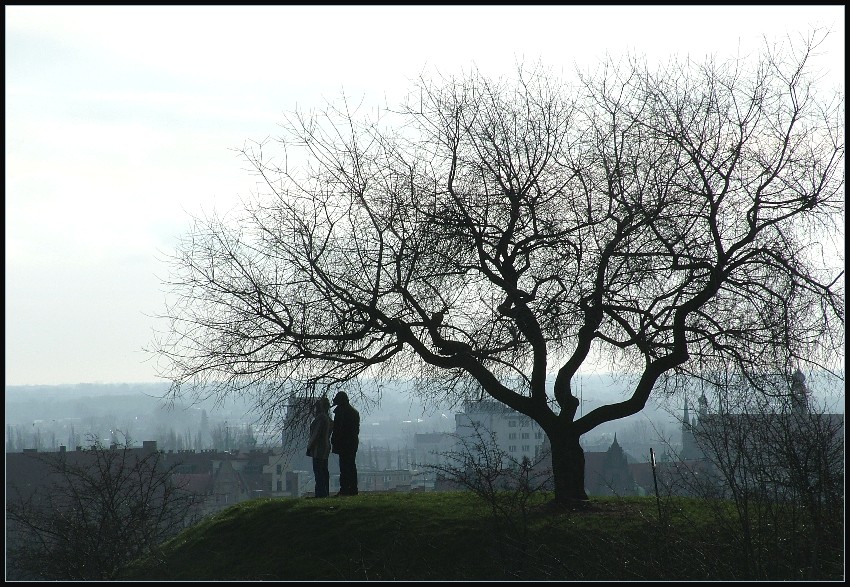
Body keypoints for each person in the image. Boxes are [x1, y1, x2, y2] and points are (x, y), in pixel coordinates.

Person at [330, 391, 360, 496]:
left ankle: (345, 489)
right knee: (351, 466)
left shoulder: (342, 412)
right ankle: (352, 488)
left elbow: (338, 429)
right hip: (351, 444)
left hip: (344, 444)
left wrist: (335, 439)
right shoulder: (353, 412)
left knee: (345, 467)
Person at [306, 396, 332, 498]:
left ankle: (320, 493)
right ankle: (325, 492)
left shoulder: (321, 418)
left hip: (318, 448)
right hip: (326, 447)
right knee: (324, 471)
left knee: (318, 471)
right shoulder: (328, 418)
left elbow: (315, 435)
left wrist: (309, 447)